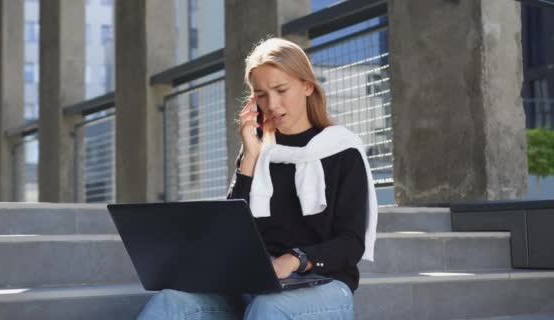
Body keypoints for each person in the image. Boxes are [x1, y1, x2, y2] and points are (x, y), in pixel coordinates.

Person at [137, 37, 378, 320]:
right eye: (261, 94)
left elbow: (351, 242)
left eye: (281, 89)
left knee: (268, 308)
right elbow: (229, 232)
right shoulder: (256, 152)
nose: (272, 104)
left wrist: (294, 260)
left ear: (307, 86)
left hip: (324, 284)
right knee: (171, 303)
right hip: (254, 286)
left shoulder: (342, 149)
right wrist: (250, 157)